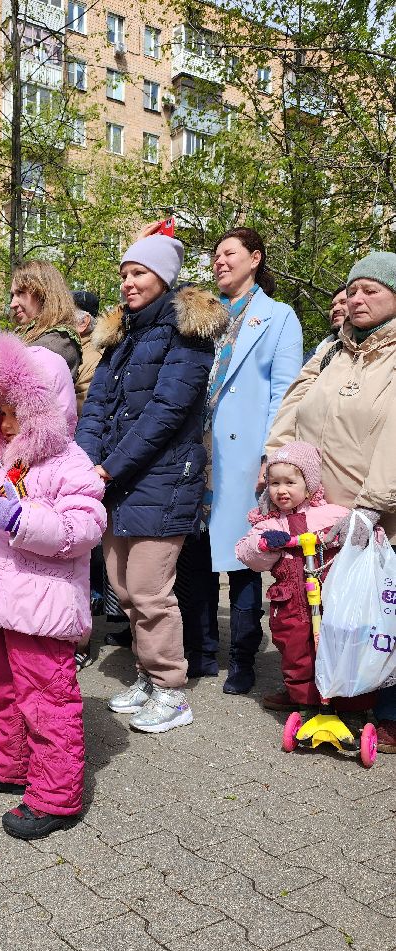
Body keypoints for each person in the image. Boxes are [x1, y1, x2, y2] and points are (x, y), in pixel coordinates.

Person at [0, 334, 106, 840]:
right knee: (1, 689)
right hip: (1, 602)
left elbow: (83, 528)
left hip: (41, 607)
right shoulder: (2, 466)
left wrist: (20, 518)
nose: (6, 423)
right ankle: (10, 763)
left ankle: (56, 795)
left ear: (44, 410)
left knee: (47, 700)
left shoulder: (69, 464)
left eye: (15, 412)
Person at [76, 234, 227, 732]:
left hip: (162, 479)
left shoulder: (187, 334)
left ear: (163, 277)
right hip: (117, 481)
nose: (128, 282)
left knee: (149, 591)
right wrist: (87, 461)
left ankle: (170, 690)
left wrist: (109, 467)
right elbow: (96, 407)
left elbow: (165, 413)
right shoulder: (120, 337)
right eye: (124, 273)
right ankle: (146, 675)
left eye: (138, 273)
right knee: (123, 589)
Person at [266, 250, 396, 751]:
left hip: (375, 513)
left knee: (378, 611)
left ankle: (389, 710)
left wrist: (371, 505)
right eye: (353, 288)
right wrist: (277, 467)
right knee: (321, 606)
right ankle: (323, 691)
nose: (357, 298)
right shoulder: (332, 353)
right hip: (319, 512)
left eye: (372, 290)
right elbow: (293, 408)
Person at [175, 226, 303, 694]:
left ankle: (242, 658)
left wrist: (272, 455)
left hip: (245, 453)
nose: (219, 262)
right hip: (198, 451)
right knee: (196, 553)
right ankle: (202, 650)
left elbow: (285, 393)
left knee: (247, 556)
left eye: (229, 253)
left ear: (255, 258)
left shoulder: (278, 316)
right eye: (215, 256)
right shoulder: (203, 314)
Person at [235, 442, 377, 719]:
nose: (281, 490)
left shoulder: (330, 514)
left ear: (309, 486)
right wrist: (264, 545)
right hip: (290, 603)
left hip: (331, 600)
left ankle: (349, 704)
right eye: (274, 483)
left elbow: (359, 532)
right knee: (295, 650)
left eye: (290, 482)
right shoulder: (269, 524)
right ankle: (303, 699)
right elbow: (246, 553)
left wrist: (362, 533)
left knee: (341, 647)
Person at [0, 257, 81, 379]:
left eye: (20, 293)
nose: (12, 304)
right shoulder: (27, 333)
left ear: (44, 293)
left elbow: (12, 374)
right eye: (13, 295)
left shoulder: (60, 339)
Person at [71, 290, 103, 414]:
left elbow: (79, 412)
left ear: (83, 322)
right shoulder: (72, 350)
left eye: (65, 315)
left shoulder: (95, 361)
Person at [304, 286, 348, 365]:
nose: (335, 309)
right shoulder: (313, 356)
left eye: (343, 302)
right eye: (332, 306)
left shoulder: (369, 350)